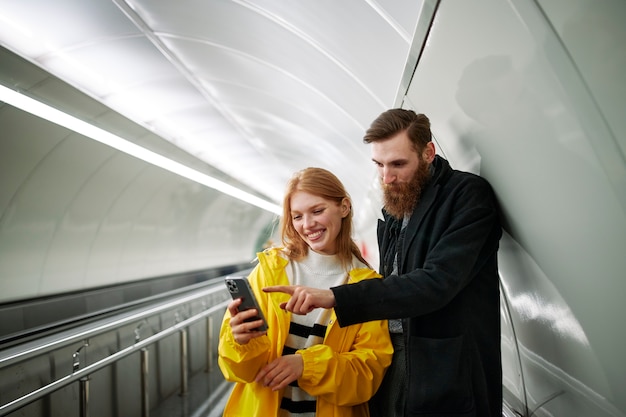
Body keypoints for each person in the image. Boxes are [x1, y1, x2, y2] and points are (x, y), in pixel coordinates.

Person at [265, 109, 503, 417]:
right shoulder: (396, 205)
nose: (386, 177)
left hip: (445, 368)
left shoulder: (466, 196)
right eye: (379, 165)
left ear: (428, 153)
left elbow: (437, 283)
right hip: (396, 365)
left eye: (398, 164)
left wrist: (336, 296)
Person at [218, 167, 393, 417]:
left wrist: (305, 365)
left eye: (317, 211)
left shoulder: (365, 286)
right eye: (297, 216)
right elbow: (239, 371)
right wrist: (239, 341)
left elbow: (367, 375)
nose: (307, 224)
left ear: (344, 207)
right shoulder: (270, 271)